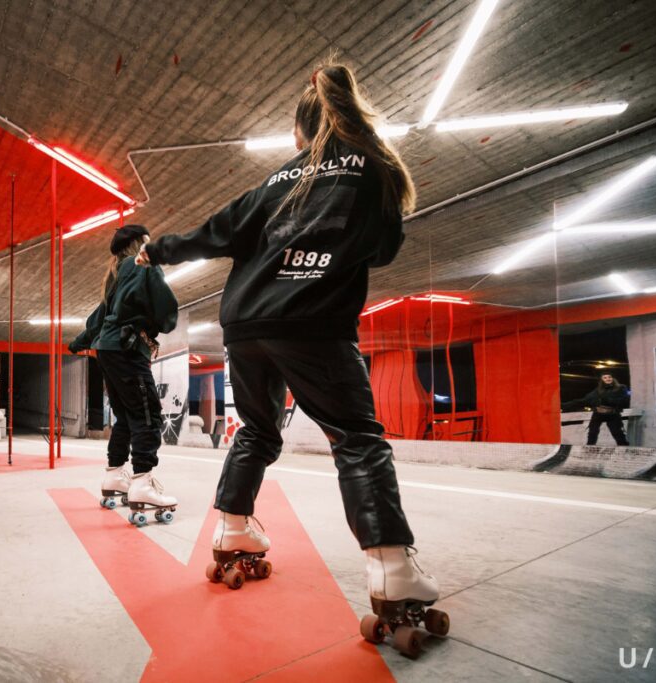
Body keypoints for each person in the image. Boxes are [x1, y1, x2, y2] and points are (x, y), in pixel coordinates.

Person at [136, 61, 439, 607]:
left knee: (256, 429)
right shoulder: (374, 169)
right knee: (356, 437)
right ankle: (392, 565)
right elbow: (386, 249)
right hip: (314, 321)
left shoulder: (275, 182)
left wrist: (156, 250)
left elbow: (213, 233)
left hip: (247, 324)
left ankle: (232, 528)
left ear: (300, 133)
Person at [69, 225, 180, 520]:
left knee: (127, 418)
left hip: (107, 350)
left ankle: (115, 475)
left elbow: (97, 320)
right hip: (128, 349)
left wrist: (77, 344)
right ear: (139, 242)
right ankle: (142, 483)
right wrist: (164, 322)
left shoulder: (115, 275)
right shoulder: (143, 264)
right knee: (148, 414)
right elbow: (166, 306)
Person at [563, 373, 630, 445]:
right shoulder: (598, 390)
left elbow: (624, 400)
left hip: (612, 414)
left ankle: (625, 450)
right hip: (598, 414)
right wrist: (565, 405)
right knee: (592, 433)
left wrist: (606, 400)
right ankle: (589, 449)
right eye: (605, 377)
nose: (608, 379)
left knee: (618, 434)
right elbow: (584, 400)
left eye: (609, 377)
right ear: (601, 380)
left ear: (613, 378)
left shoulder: (621, 388)